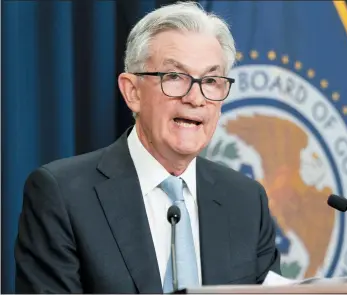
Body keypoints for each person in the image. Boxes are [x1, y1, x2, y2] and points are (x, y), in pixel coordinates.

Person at [14, 2, 281, 293]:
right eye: (175, 77)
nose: (196, 98)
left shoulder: (245, 200)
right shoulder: (63, 196)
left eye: (211, 80)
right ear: (132, 92)